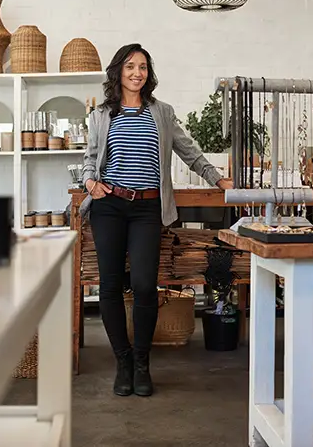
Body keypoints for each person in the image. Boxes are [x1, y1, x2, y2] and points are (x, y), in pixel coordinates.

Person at [80, 43, 233, 397]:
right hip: (110, 207)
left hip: (149, 209)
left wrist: (217, 179)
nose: (137, 73)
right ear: (118, 71)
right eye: (131, 66)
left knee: (147, 285)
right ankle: (122, 362)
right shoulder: (102, 114)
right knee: (110, 285)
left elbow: (189, 150)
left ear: (149, 74)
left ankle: (141, 363)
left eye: (143, 67)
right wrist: (91, 181)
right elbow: (90, 157)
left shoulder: (161, 112)